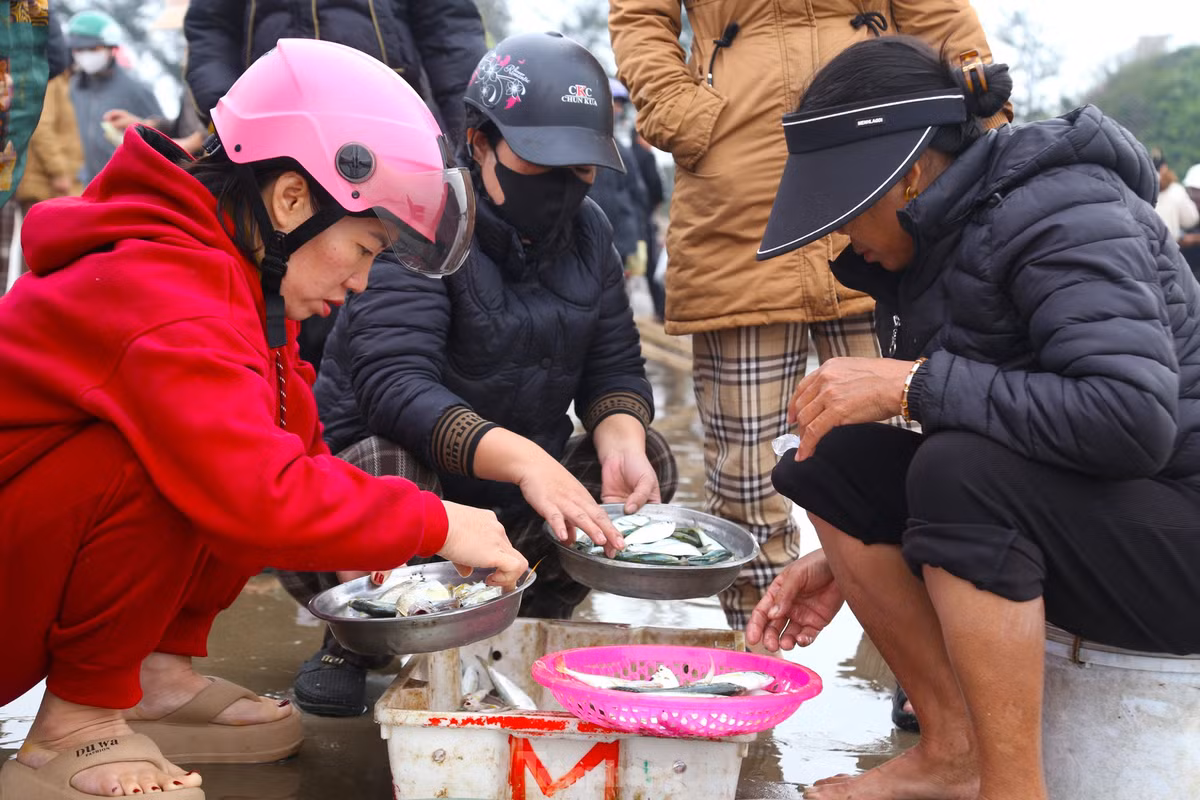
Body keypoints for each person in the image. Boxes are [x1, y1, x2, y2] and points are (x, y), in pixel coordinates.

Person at [0, 38, 526, 799]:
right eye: (364, 247)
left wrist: (364, 537)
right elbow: (257, 490)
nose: (361, 280)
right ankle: (73, 727)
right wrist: (435, 522)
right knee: (172, 463)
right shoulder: (164, 285)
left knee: (246, 442)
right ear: (291, 199)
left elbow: (294, 452)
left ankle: (151, 674)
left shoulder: (231, 275)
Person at [748, 35, 1200, 800]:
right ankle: (953, 749)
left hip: (1179, 534)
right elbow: (1001, 422)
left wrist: (913, 385)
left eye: (851, 212)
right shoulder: (950, 233)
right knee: (831, 463)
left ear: (913, 174)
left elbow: (1129, 419)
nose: (845, 237)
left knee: (959, 476)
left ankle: (1012, 789)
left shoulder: (1064, 208)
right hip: (1109, 515)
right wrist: (859, 551)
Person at [282, 31, 676, 717]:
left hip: (509, 506)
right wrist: (524, 460)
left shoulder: (591, 236)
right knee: (382, 460)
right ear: (480, 141)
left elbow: (615, 364)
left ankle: (521, 617)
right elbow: (393, 387)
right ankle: (360, 638)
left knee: (649, 458)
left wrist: (620, 439)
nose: (561, 184)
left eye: (581, 166)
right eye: (538, 160)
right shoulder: (423, 223)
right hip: (393, 495)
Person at [608, 0, 1010, 638]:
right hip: (735, 194)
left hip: (886, 168)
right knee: (744, 477)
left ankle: (941, 665)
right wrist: (681, 112)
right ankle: (762, 664)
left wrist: (971, 103)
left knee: (927, 456)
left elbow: (940, 12)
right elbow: (639, 15)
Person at [183, 0, 488, 374]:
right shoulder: (180, 320)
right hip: (275, 143)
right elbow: (211, 23)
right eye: (364, 253)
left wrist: (458, 148)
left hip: (389, 148)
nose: (362, 282)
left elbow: (449, 31)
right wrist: (232, 106)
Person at [65, 9, 164, 185]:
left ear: (111, 48)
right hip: (91, 183)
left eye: (93, 48)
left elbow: (163, 138)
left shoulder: (136, 89)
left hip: (130, 186)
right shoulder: (75, 87)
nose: (85, 54)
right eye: (78, 49)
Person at [1151, 149, 1200, 244]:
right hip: (1168, 248)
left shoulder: (1136, 190)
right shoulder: (1176, 190)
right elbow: (1190, 220)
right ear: (1164, 168)